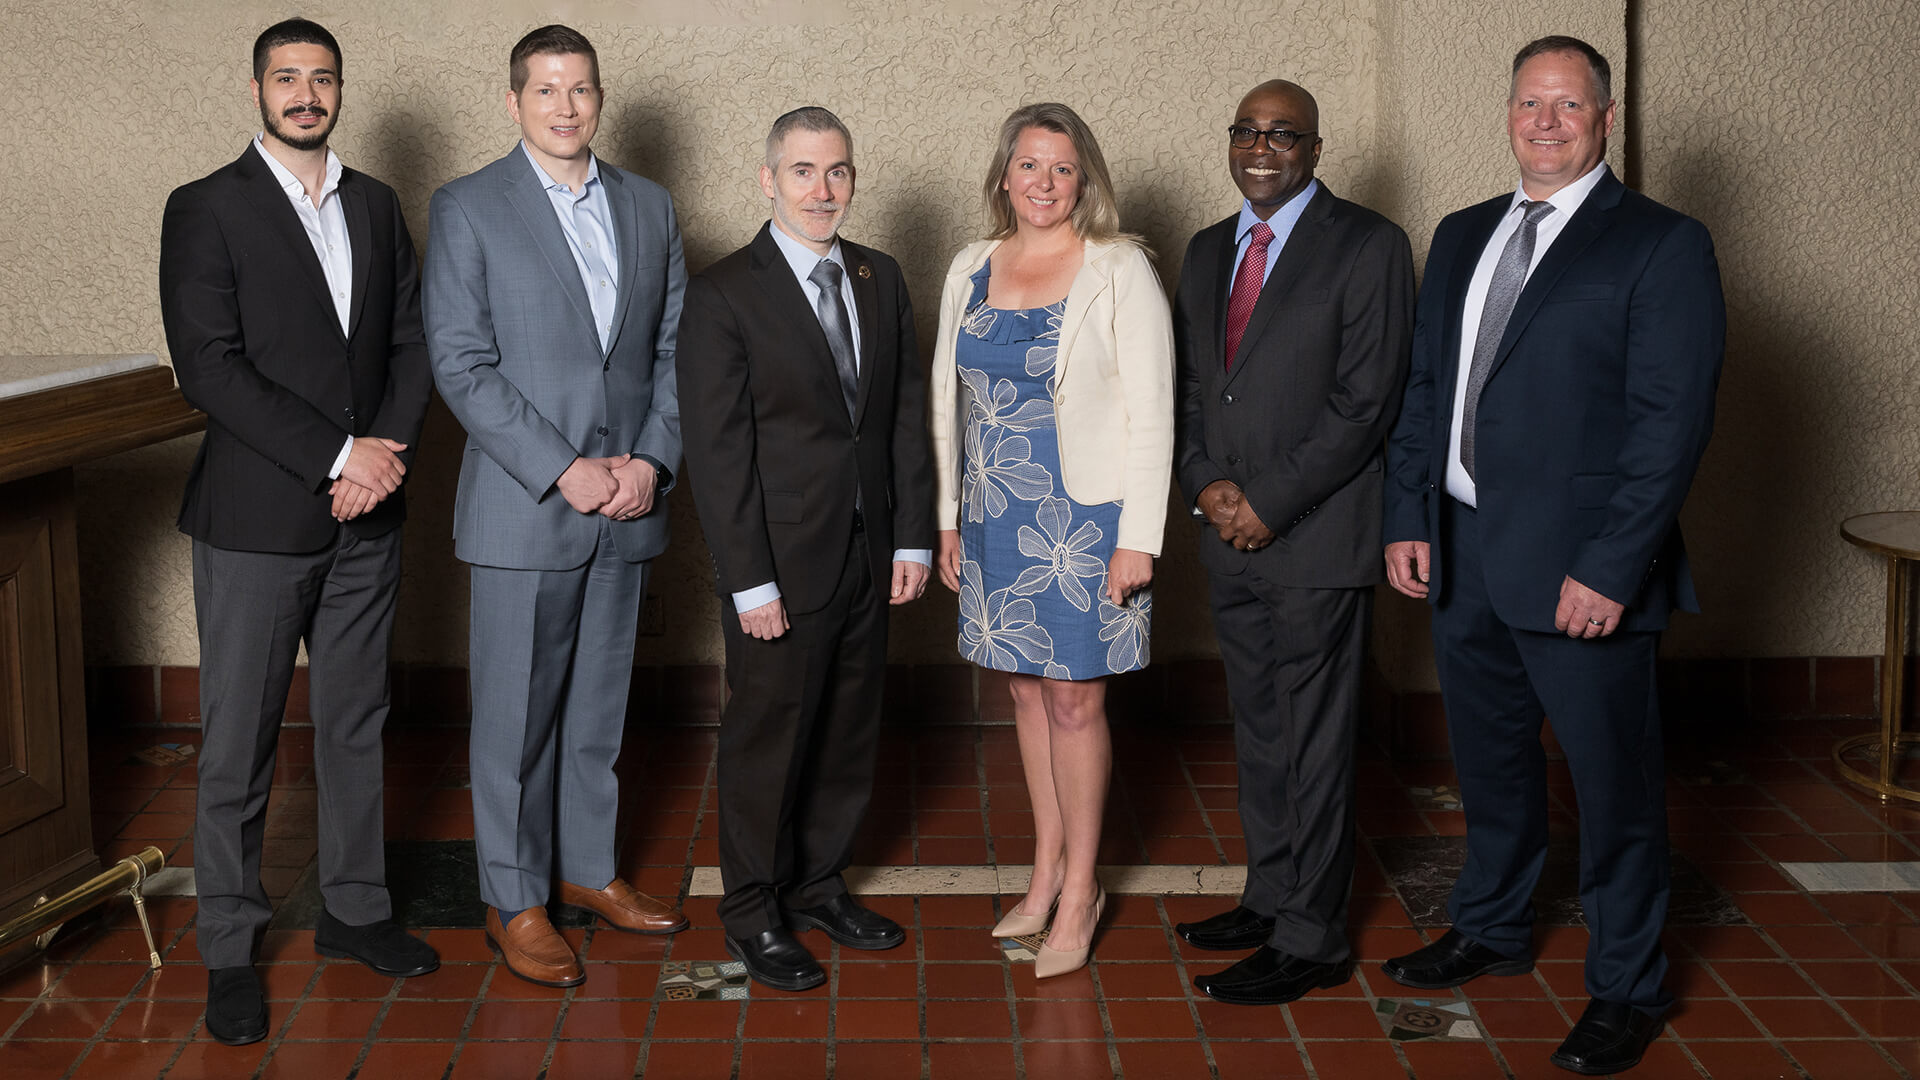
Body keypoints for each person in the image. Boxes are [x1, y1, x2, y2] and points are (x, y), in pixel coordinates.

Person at [1380, 36, 1723, 1075]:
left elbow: (1671, 427)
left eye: (1568, 105)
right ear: (1510, 111)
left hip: (1585, 571)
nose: (1545, 121)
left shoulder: (1662, 244)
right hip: (1462, 546)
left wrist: (1615, 568)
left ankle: (1628, 986)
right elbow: (1427, 390)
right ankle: (1490, 926)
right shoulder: (1463, 232)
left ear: (1605, 118)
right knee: (1490, 765)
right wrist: (1408, 513)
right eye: (1531, 102)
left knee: (1615, 789)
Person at [158, 17, 439, 1046]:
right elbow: (210, 366)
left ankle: (355, 911)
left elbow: (413, 343)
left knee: (356, 723)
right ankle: (229, 945)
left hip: (370, 516)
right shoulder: (205, 208)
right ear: (256, 90)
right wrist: (339, 455)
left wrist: (387, 453)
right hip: (256, 521)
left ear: (339, 90)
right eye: (288, 78)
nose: (307, 94)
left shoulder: (373, 203)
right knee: (240, 743)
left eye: (323, 78)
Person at [424, 24, 688, 989]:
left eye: (580, 89)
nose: (566, 107)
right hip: (528, 505)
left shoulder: (651, 206)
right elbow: (460, 360)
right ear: (514, 103)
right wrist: (564, 468)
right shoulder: (467, 208)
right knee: (514, 718)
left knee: (596, 713)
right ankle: (514, 897)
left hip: (628, 502)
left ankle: (586, 873)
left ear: (599, 97)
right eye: (545, 91)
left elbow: (672, 351)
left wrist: (652, 461)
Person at [678, 107, 934, 992]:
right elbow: (717, 456)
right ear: (767, 180)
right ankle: (752, 908)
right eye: (802, 172)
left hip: (869, 554)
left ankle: (819, 885)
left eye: (838, 172)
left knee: (847, 731)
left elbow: (902, 416)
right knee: (767, 739)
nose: (822, 191)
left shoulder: (879, 275)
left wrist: (910, 535)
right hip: (779, 563)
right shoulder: (722, 294)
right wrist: (749, 582)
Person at [1170, 80, 1413, 1005]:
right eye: (1246, 131)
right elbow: (1190, 390)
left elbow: (1365, 405)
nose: (1261, 147)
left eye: (1283, 134)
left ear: (1316, 148)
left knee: (1314, 741)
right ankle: (1271, 898)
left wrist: (1266, 501)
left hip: (1313, 538)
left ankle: (1312, 939)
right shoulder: (1204, 252)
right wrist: (1206, 485)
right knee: (1262, 732)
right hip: (1226, 537)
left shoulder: (1369, 245)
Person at [930, 102, 1173, 979]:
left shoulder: (1120, 268)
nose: (1043, 183)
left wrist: (1137, 537)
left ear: (1085, 180)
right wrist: (951, 516)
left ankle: (1082, 892)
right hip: (998, 514)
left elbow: (1154, 410)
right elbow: (946, 405)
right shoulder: (969, 265)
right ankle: (1042, 874)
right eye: (1028, 166)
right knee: (1027, 700)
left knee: (1077, 703)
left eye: (1061, 169)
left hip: (1087, 523)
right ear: (1004, 174)